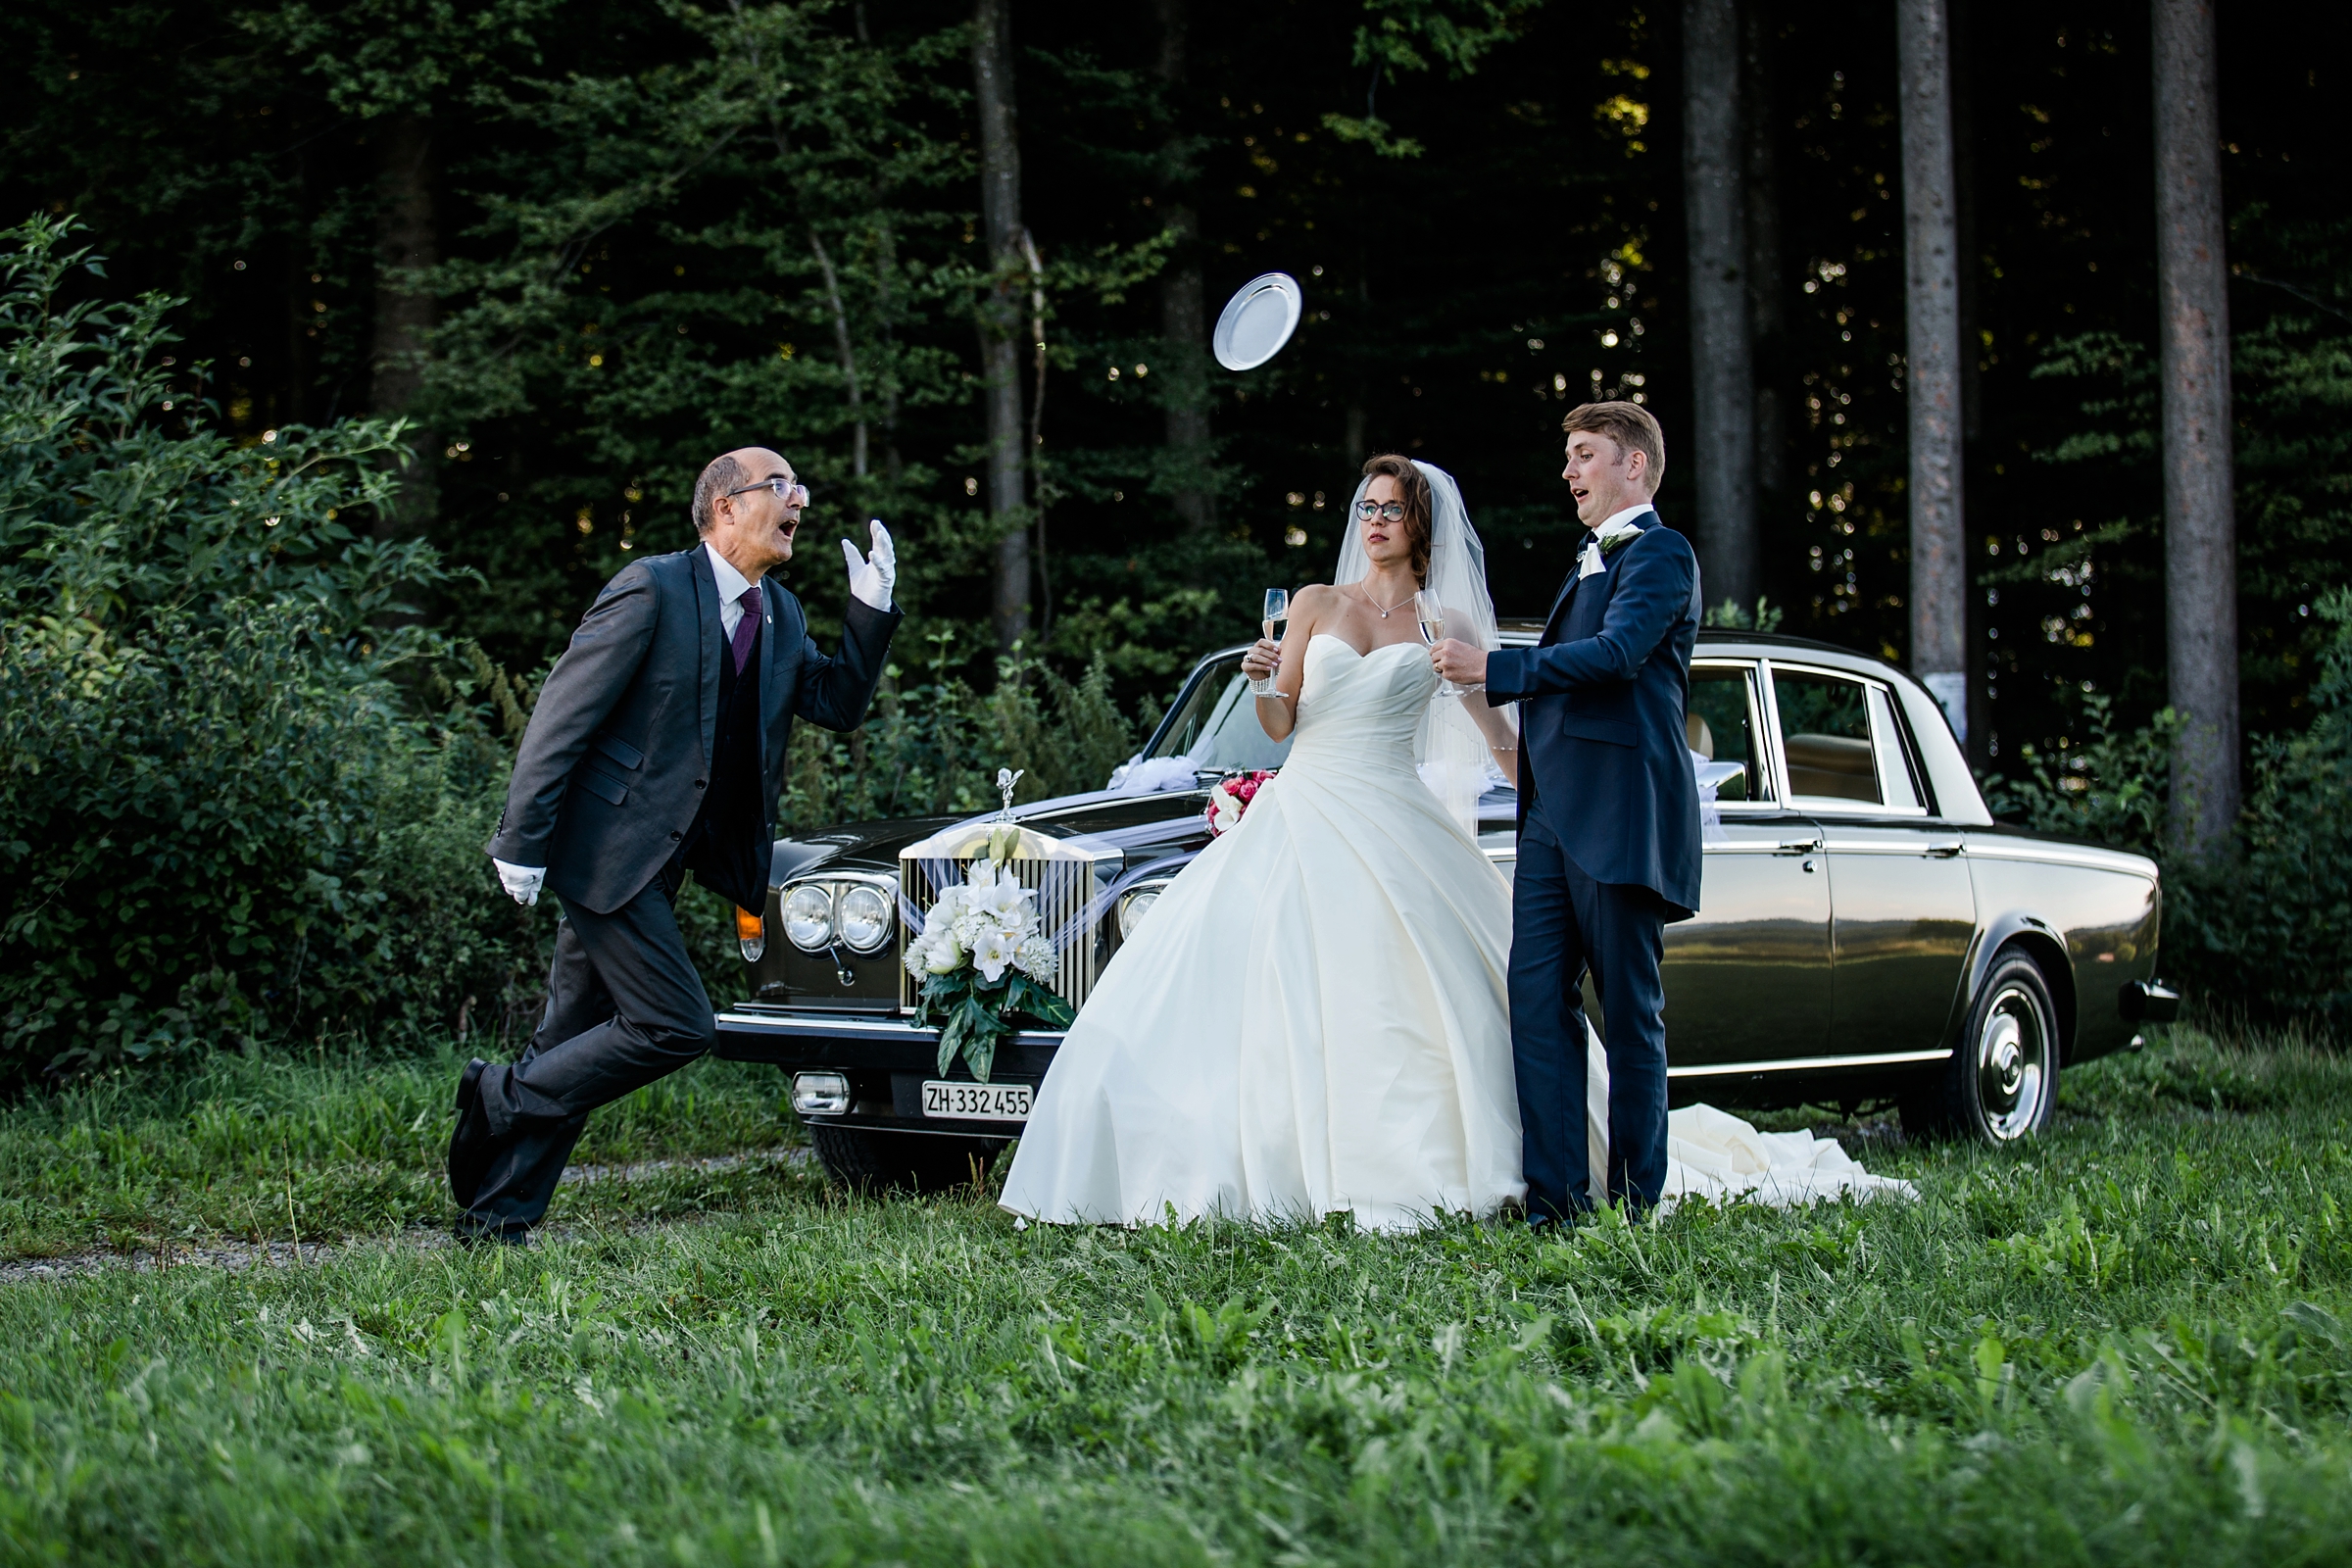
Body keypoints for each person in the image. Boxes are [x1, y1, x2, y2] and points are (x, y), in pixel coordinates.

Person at [999, 456, 1528, 1230]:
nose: (1373, 521)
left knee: (1413, 994)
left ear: (1422, 524)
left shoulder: (1445, 625)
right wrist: (1258, 679)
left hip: (1398, 816)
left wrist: (1560, 780)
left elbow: (1499, 741)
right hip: (1306, 805)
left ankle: (1415, 1160)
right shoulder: (1316, 602)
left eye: (1390, 508)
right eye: (1365, 507)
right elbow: (1282, 726)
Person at [450, 448, 902, 1244]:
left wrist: (871, 608)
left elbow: (834, 704)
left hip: (669, 863)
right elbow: (564, 712)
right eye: (781, 485)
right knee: (677, 1023)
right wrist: (521, 839)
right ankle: (497, 1095)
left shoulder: (781, 613)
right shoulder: (651, 588)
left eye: (800, 485)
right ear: (725, 508)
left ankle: (497, 1218)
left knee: (571, 1036)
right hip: (605, 854)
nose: (801, 497)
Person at [1431, 402, 1702, 1221]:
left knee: (1630, 1019)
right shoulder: (1586, 558)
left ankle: (1633, 1206)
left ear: (1634, 467)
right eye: (1570, 456)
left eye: (1585, 455)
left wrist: (1493, 667)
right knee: (1537, 1004)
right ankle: (1557, 1204)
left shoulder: (1662, 554)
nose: (1569, 471)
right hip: (1548, 820)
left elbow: (1618, 656)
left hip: (1622, 817)